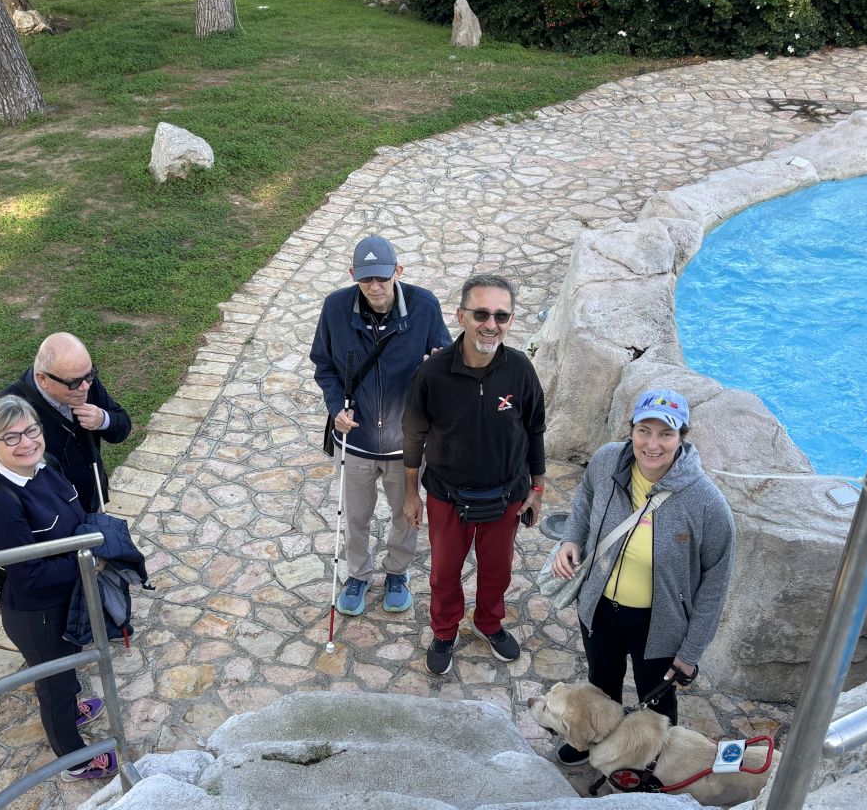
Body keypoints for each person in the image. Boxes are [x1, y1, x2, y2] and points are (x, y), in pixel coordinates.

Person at [549, 389, 735, 766]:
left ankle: (656, 765)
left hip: (658, 623)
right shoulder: (607, 460)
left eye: (665, 434)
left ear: (681, 437)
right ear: (631, 430)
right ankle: (596, 743)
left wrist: (690, 654)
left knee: (658, 703)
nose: (652, 444)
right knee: (601, 684)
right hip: (600, 607)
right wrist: (571, 538)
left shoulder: (707, 504)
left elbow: (714, 587)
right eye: (644, 431)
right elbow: (585, 496)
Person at [402, 273, 546, 675]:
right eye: (481, 313)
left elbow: (535, 429)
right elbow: (413, 435)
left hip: (507, 495)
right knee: (444, 573)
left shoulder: (520, 369)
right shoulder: (432, 374)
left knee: (498, 571)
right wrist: (411, 493)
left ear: (511, 320)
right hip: (448, 496)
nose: (491, 324)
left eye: (501, 316)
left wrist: (537, 488)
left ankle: (488, 622)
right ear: (461, 315)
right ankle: (444, 631)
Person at [0, 395, 117, 782]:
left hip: (67, 597)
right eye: (11, 437)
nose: (26, 442)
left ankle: (70, 710)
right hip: (37, 614)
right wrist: (90, 561)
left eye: (31, 430)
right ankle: (74, 760)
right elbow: (30, 574)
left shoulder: (45, 466)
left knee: (68, 666)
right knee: (54, 687)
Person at [310, 236, 451, 616]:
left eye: (382, 278)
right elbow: (323, 364)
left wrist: (436, 368)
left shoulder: (424, 306)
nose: (374, 287)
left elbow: (444, 360)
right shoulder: (335, 307)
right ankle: (357, 574)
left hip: (406, 443)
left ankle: (397, 572)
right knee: (356, 516)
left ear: (397, 272)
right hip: (355, 440)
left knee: (406, 514)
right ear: (353, 275)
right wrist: (336, 407)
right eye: (366, 279)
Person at [2, 332, 132, 514]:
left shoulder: (83, 380)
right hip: (53, 513)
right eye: (74, 383)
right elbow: (4, 473)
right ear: (42, 379)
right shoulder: (10, 408)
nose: (85, 387)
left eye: (90, 374)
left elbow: (123, 427)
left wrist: (103, 420)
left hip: (92, 500)